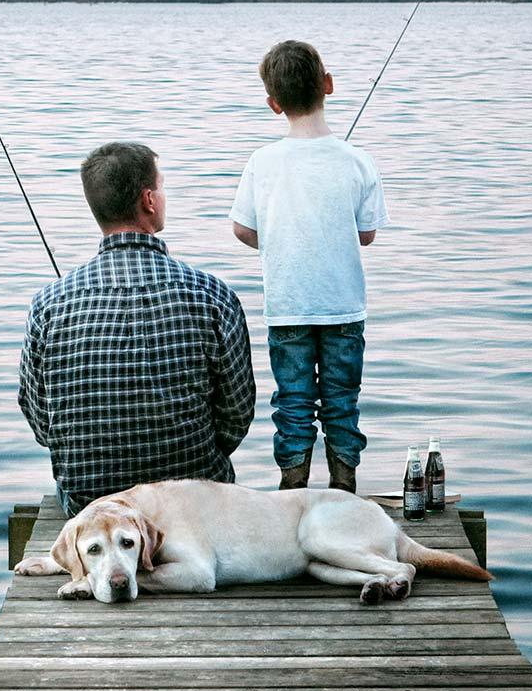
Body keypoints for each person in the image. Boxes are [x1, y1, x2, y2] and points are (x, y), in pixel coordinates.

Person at [20, 141, 255, 513]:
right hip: (194, 503)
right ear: (149, 200)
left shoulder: (48, 304)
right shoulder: (211, 295)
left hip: (92, 505)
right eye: (161, 187)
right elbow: (237, 412)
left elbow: (40, 420)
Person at [230, 39, 389, 491]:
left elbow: (242, 230)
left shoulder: (261, 162)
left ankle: (292, 492)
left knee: (294, 402)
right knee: (342, 402)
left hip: (288, 307)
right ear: (329, 85)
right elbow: (367, 234)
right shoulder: (358, 160)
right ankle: (344, 490)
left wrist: (276, 239)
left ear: (273, 103)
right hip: (343, 308)